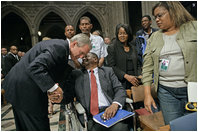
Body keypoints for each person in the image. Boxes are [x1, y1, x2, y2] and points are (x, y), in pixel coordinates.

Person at [2, 33, 91, 131]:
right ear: (74, 44)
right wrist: (54, 88)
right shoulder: (60, 48)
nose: (81, 56)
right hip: (26, 91)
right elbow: (35, 68)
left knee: (25, 126)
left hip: (20, 89)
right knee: (38, 126)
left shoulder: (60, 47)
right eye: (81, 52)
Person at [142, 1, 197, 125]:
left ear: (173, 11)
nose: (157, 20)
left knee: (193, 125)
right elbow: (147, 67)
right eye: (155, 17)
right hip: (167, 92)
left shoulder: (194, 28)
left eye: (160, 15)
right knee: (174, 125)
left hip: (192, 89)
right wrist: (147, 95)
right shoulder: (154, 37)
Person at [72, 52, 128, 131]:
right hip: (91, 115)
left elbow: (119, 89)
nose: (83, 58)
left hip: (110, 110)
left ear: (95, 59)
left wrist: (115, 104)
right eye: (82, 57)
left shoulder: (108, 71)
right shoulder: (77, 75)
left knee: (121, 128)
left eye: (86, 56)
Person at [107, 23, 142, 90]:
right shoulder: (112, 47)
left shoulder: (133, 48)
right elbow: (112, 66)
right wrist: (126, 76)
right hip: (120, 81)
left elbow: (137, 64)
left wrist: (139, 75)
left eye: (125, 33)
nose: (122, 36)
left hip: (135, 80)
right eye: (120, 33)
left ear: (128, 35)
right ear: (117, 35)